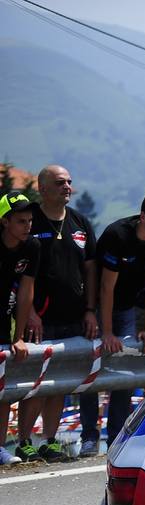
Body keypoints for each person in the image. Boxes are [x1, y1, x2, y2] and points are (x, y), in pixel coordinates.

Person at [23, 164, 100, 458]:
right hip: (39, 320)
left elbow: (90, 271)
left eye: (69, 182)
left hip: (74, 317)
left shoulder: (80, 222)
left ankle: (50, 441)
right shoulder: (30, 219)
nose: (67, 187)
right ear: (42, 188)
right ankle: (24, 442)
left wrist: (91, 310)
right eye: (59, 182)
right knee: (35, 384)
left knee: (59, 384)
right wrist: (29, 312)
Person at [94, 191, 145, 448]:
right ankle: (88, 436)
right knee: (93, 366)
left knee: (125, 369)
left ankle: (117, 435)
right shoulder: (118, 235)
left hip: (128, 306)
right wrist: (107, 332)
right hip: (99, 305)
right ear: (143, 217)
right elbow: (106, 287)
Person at [0, 190, 38, 464]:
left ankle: (0, 447)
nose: (28, 227)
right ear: (5, 222)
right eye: (21, 222)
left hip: (3, 319)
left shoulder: (32, 247)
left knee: (1, 385)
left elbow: (26, 293)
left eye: (29, 221)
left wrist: (19, 336)